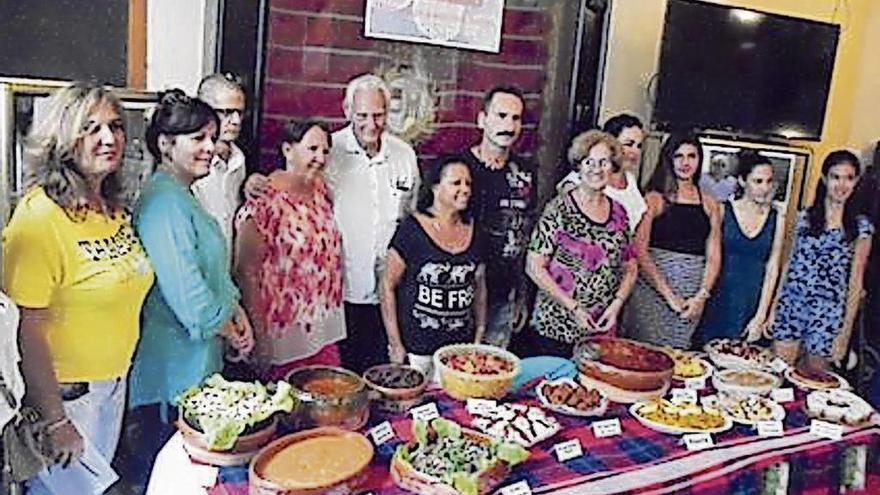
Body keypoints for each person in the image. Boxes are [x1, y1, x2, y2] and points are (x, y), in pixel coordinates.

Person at [2, 84, 155, 493]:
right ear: (62, 139)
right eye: (90, 128)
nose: (109, 139)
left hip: (111, 388)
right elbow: (25, 330)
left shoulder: (112, 208)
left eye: (115, 126)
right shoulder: (39, 219)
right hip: (66, 400)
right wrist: (55, 420)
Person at [126, 91, 254, 476]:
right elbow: (189, 293)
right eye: (197, 138)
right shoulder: (162, 202)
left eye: (211, 138)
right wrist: (232, 330)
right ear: (165, 144)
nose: (210, 148)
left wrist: (235, 308)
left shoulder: (185, 194)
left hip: (197, 363)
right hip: (173, 372)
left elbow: (212, 272)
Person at [234, 120, 345, 380]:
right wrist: (260, 340)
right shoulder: (264, 201)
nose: (320, 158)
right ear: (287, 150)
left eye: (326, 151)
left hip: (321, 330)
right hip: (282, 336)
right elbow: (245, 273)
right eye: (312, 149)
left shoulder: (321, 191)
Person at [524, 131, 638, 357]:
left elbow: (631, 266)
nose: (596, 169)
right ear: (579, 166)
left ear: (613, 166)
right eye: (589, 162)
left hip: (599, 330)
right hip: (555, 327)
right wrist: (573, 307)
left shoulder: (619, 213)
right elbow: (533, 266)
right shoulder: (559, 209)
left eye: (603, 162)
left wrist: (616, 306)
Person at [380, 157, 487, 375]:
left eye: (468, 184)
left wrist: (479, 335)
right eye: (456, 183)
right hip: (417, 350)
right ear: (436, 187)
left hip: (459, 352)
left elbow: (479, 288)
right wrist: (395, 344)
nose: (465, 189)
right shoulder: (412, 229)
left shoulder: (475, 230)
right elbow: (387, 286)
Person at [770, 150, 873, 370]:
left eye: (849, 178)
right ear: (825, 179)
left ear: (856, 182)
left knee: (813, 383)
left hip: (828, 315)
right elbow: (788, 265)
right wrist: (773, 309)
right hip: (792, 305)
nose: (841, 184)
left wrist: (844, 335)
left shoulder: (860, 228)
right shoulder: (804, 219)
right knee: (778, 374)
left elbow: (855, 284)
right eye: (836, 177)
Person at [624, 133, 722, 349]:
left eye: (691, 156)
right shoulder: (654, 198)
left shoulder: (710, 203)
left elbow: (714, 255)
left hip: (692, 296)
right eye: (679, 156)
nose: (685, 162)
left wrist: (702, 296)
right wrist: (669, 295)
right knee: (643, 356)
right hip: (653, 293)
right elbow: (639, 250)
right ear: (668, 159)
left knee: (679, 359)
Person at [459, 86, 537, 349]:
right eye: (501, 115)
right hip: (457, 292)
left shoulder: (525, 173)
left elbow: (525, 234)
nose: (509, 125)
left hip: (502, 294)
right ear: (482, 120)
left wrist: (521, 294)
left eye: (516, 118)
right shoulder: (457, 168)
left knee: (489, 375)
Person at [698, 151, 785, 343]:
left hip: (753, 301)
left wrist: (761, 315)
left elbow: (773, 268)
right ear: (743, 181)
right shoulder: (722, 210)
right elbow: (709, 258)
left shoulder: (777, 218)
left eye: (769, 181)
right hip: (720, 299)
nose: (765, 188)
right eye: (758, 181)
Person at [190, 73, 248, 260]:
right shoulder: (190, 161)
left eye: (240, 112)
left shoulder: (239, 160)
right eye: (227, 112)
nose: (236, 121)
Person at [557, 113, 647, 231]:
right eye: (628, 144)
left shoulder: (630, 180)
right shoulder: (581, 178)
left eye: (639, 146)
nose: (635, 151)